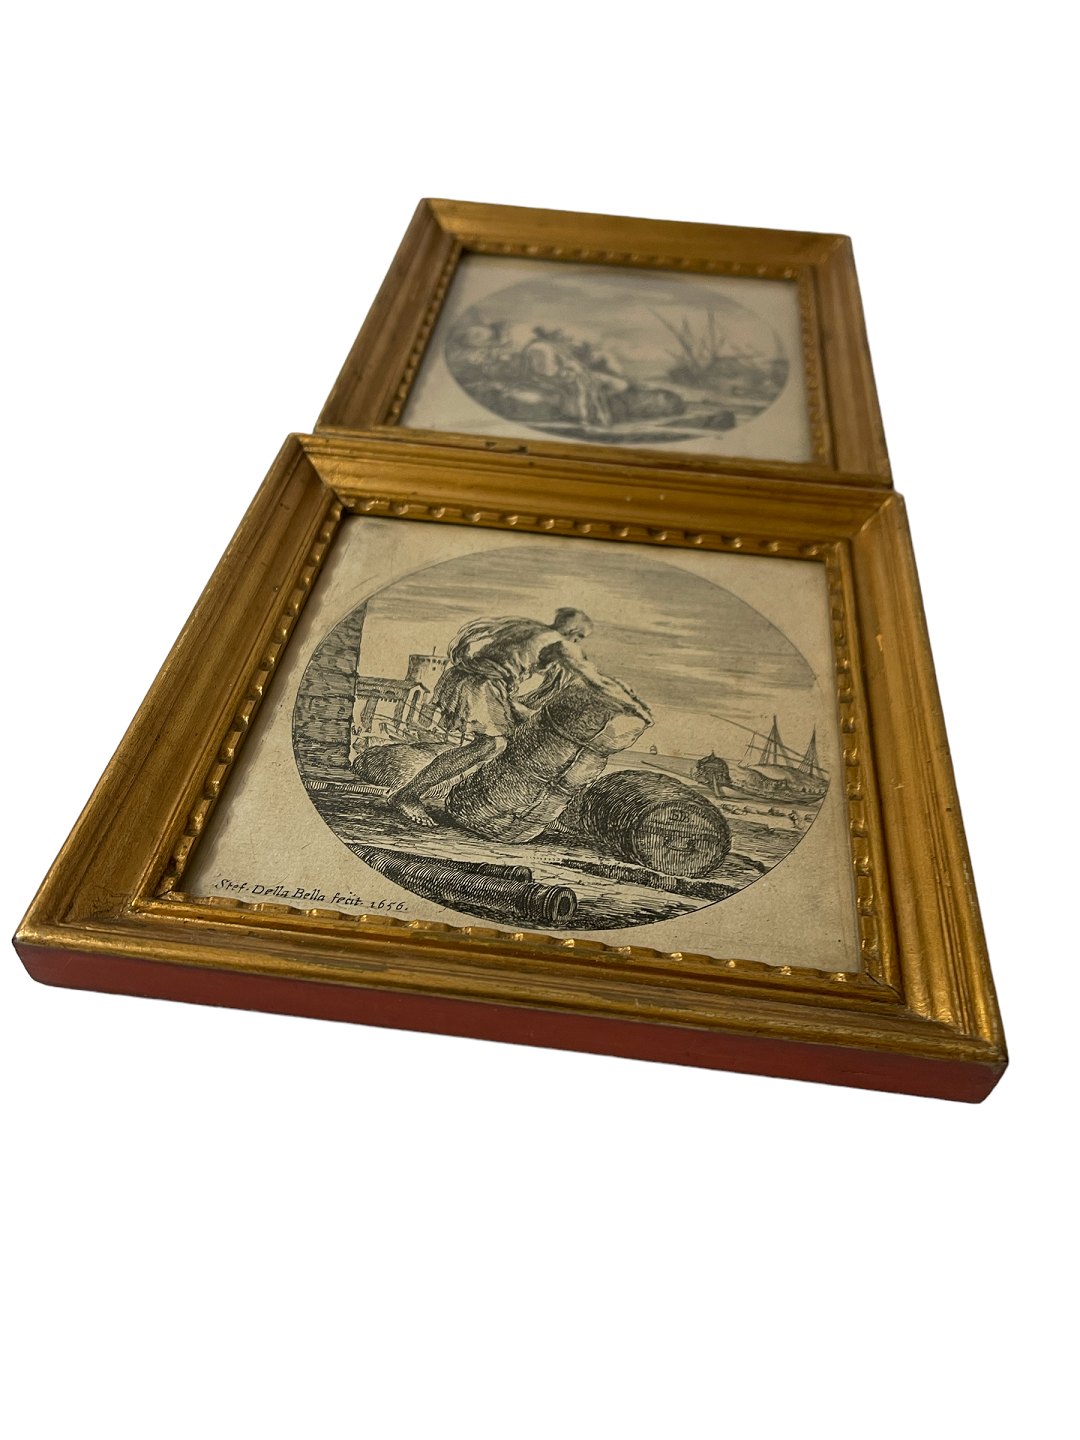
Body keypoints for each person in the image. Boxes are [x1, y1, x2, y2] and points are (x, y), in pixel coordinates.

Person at [387, 608, 650, 827]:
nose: (578, 643)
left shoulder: (534, 631)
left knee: (515, 735)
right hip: (481, 684)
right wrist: (633, 706)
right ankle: (408, 794)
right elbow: (595, 679)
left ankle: (503, 802)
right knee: (490, 745)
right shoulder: (560, 644)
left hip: (479, 681)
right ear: (573, 632)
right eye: (580, 637)